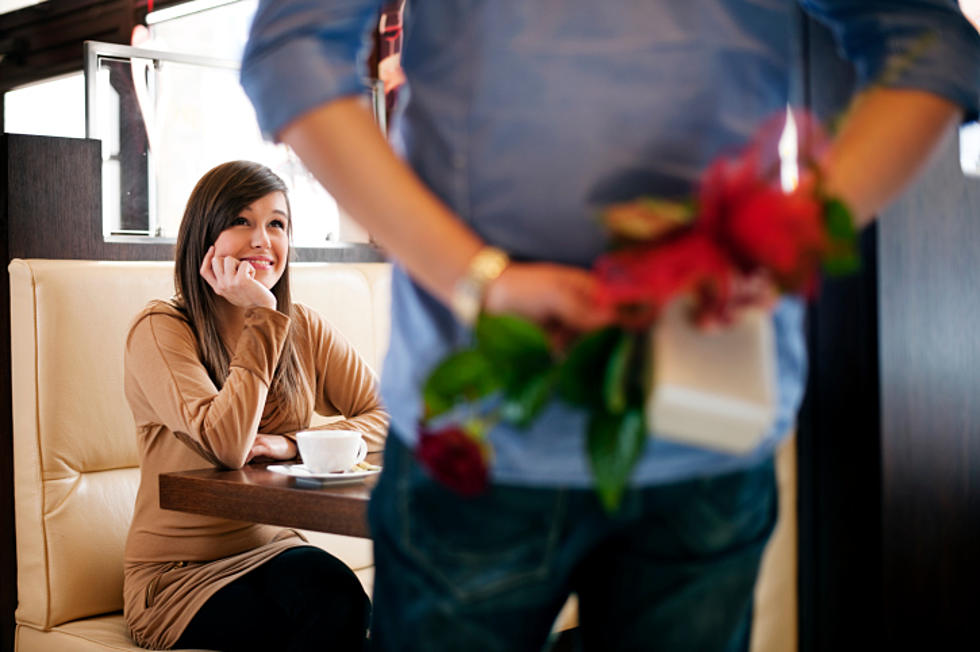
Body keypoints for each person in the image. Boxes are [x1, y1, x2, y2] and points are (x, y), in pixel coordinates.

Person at [242, 3, 979, 651]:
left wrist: (779, 237)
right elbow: (293, 50)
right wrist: (484, 279)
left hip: (693, 419)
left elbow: (929, 46)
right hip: (500, 430)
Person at [122, 160, 389, 651]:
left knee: (345, 600)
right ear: (205, 235)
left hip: (274, 549)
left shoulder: (302, 326)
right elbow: (226, 445)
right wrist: (262, 316)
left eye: (277, 224)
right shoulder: (161, 330)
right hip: (178, 582)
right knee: (332, 609)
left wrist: (291, 444)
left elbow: (390, 418)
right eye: (241, 221)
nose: (263, 239)